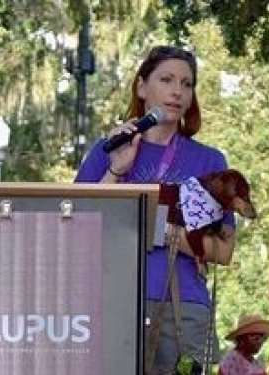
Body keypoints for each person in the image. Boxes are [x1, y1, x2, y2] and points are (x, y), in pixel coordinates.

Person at [74, 45, 237, 374]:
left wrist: (158, 226)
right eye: (166, 80)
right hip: (113, 300)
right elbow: (78, 226)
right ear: (142, 87)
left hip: (182, 305)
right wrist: (118, 169)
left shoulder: (207, 161)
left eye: (187, 84)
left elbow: (221, 250)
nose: (178, 91)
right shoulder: (108, 150)